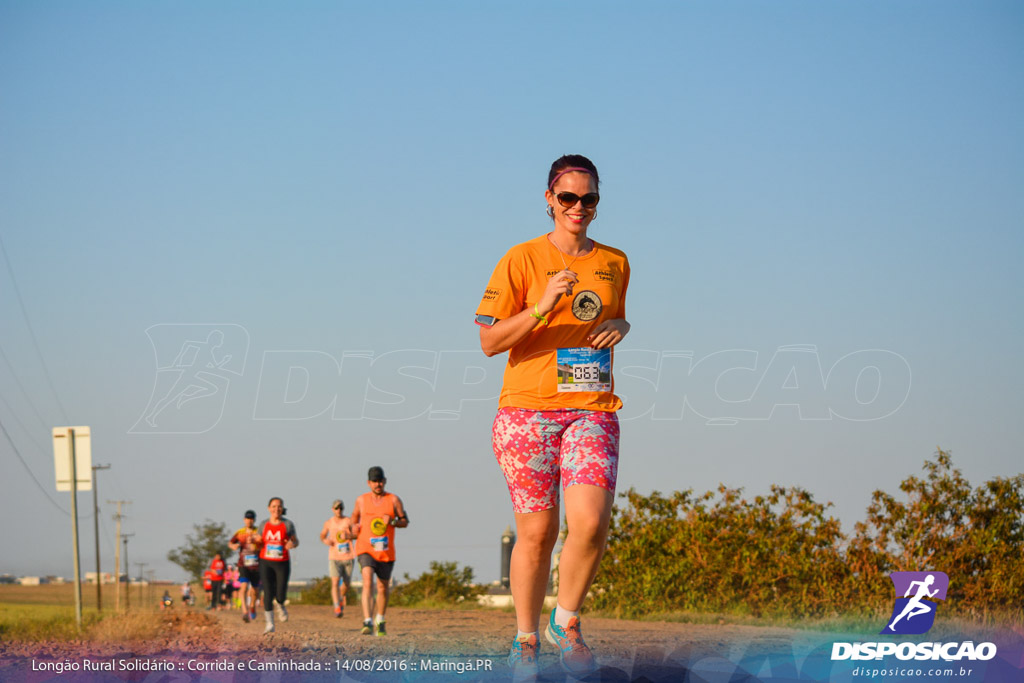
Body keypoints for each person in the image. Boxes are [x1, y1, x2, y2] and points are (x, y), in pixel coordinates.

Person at [476, 154, 630, 678]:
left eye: (589, 199)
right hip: (526, 411)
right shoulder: (520, 259)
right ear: (549, 199)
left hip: (591, 407)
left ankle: (565, 621)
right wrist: (541, 306)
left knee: (589, 521)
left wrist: (622, 326)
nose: (578, 207)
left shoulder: (616, 261)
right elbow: (489, 341)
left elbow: (614, 314)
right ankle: (524, 640)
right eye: (568, 198)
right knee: (538, 533)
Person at [350, 466, 409, 636]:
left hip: (385, 551)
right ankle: (367, 621)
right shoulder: (361, 500)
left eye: (380, 481)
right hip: (365, 548)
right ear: (369, 483)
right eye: (374, 481)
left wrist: (393, 522)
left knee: (383, 587)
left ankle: (380, 619)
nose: (378, 484)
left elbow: (404, 521)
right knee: (367, 580)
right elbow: (354, 519)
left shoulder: (394, 500)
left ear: (385, 481)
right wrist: (354, 527)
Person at [257, 497, 299, 634]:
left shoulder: (288, 524)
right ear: (269, 508)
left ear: (282, 508)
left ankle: (280, 604)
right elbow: (258, 541)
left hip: (282, 562)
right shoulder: (263, 525)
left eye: (279, 506)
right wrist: (254, 541)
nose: (276, 509)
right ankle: (269, 623)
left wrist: (292, 544)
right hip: (265, 561)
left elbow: (295, 541)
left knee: (281, 593)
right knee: (268, 592)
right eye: (274, 506)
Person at [320, 499, 356, 618]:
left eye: (340, 508)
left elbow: (356, 534)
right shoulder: (328, 523)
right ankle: (336, 606)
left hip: (348, 555)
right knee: (335, 582)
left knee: (346, 583)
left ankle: (340, 599)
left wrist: (349, 535)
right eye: (336, 508)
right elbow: (322, 535)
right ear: (332, 510)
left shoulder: (348, 521)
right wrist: (326, 540)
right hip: (334, 556)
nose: (338, 510)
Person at [228, 509, 262, 623]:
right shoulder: (240, 532)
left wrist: (257, 546)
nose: (249, 521)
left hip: (256, 565)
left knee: (255, 590)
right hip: (243, 564)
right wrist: (233, 546)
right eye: (247, 519)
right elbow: (230, 542)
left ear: (254, 520)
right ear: (244, 520)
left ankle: (252, 606)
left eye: (251, 519)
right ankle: (244, 612)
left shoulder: (259, 531)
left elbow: (264, 543)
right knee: (243, 587)